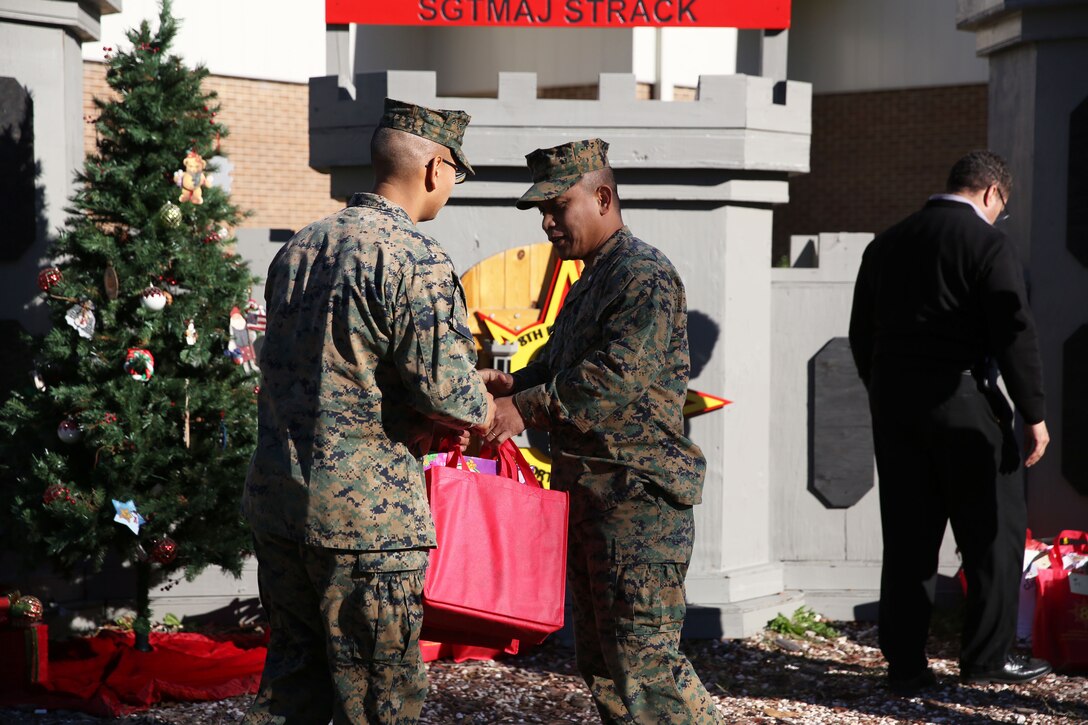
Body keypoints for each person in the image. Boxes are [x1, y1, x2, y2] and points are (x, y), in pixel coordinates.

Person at [242, 98, 494, 724]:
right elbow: (451, 396)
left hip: (281, 506)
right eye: (455, 174)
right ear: (435, 169)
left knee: (292, 690)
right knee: (381, 704)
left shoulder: (301, 247)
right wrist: (487, 398)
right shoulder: (414, 256)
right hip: (367, 527)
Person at [480, 139, 721, 724]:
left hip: (636, 499)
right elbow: (564, 365)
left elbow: (616, 374)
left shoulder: (643, 274)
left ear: (602, 197)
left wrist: (525, 410)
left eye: (557, 206)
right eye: (543, 211)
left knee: (645, 668)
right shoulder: (593, 277)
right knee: (606, 667)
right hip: (593, 497)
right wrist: (510, 386)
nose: (547, 223)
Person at [848, 150, 1052, 695]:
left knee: (909, 540)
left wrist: (884, 389)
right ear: (991, 194)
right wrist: (1033, 413)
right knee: (993, 534)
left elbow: (860, 335)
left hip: (896, 405)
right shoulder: (988, 244)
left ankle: (906, 668)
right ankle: (985, 659)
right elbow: (1015, 333)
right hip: (964, 401)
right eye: (1001, 207)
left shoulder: (886, 243)